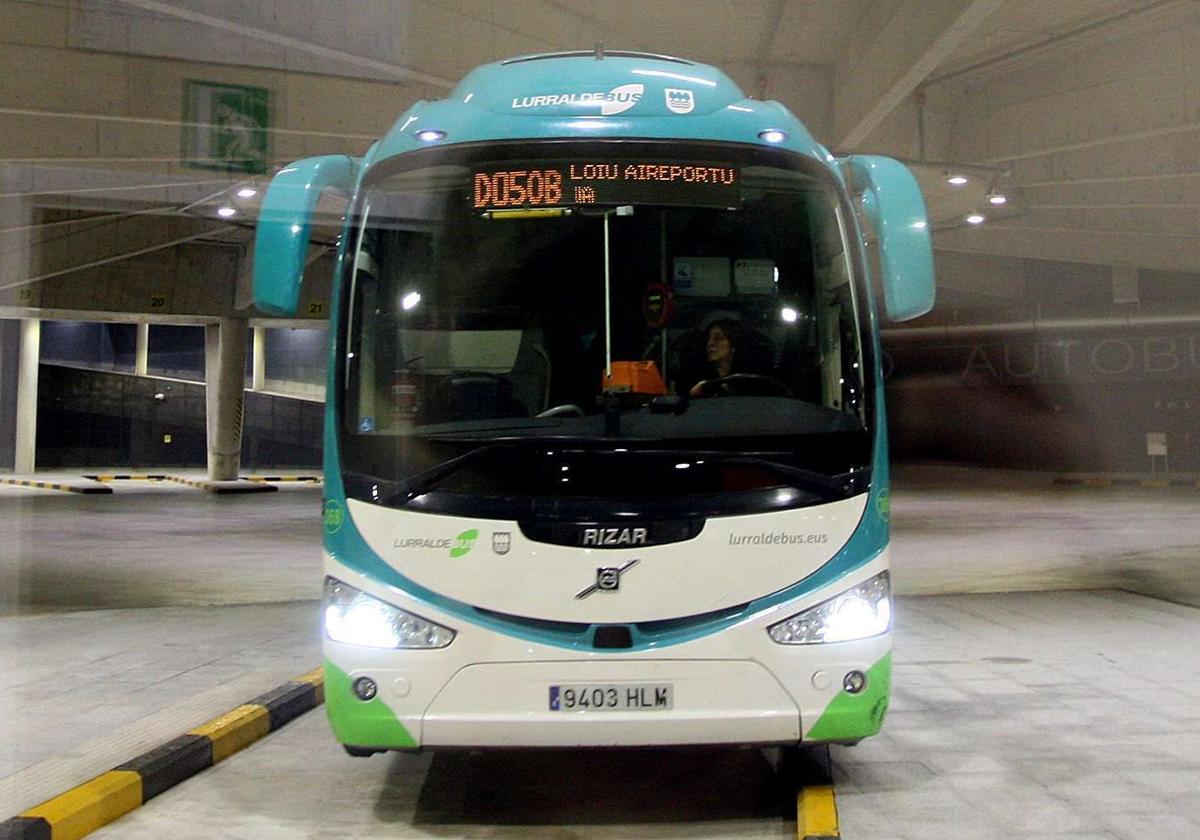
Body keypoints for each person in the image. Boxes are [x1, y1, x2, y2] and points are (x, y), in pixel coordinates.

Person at [689, 319, 742, 396]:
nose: (710, 343)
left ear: (734, 344)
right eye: (708, 339)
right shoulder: (696, 374)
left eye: (718, 338)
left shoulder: (747, 374)